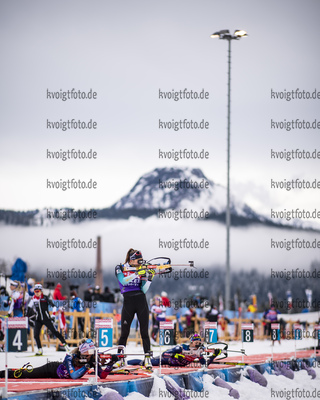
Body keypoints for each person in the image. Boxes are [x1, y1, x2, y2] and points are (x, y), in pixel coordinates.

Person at [115, 248, 156, 370]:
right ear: (131, 260)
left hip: (141, 301)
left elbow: (143, 289)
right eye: (138, 261)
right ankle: (120, 359)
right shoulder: (121, 267)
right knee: (124, 333)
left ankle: (147, 358)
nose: (140, 263)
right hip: (128, 301)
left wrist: (149, 279)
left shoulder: (141, 269)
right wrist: (137, 273)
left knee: (144, 332)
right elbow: (123, 281)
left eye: (141, 261)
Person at [0, 338, 118, 379]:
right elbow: (74, 376)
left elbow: (102, 376)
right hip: (51, 369)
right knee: (26, 374)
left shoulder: (91, 359)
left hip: (58, 374)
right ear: (83, 351)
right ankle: (3, 373)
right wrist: (87, 366)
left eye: (94, 351)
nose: (93, 353)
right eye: (90, 351)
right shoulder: (70, 357)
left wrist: (110, 364)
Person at [127, 333, 222, 368]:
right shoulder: (181, 348)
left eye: (199, 342)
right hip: (166, 361)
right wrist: (176, 356)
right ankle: (125, 362)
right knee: (143, 362)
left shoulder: (199, 352)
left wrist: (214, 356)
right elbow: (165, 354)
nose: (198, 343)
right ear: (191, 342)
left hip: (177, 365)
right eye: (196, 342)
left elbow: (204, 365)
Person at [27, 283, 69, 355]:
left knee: (55, 332)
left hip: (46, 319)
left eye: (38, 291)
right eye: (35, 291)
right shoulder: (33, 299)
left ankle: (66, 345)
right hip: (38, 319)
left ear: (41, 291)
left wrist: (53, 315)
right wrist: (28, 315)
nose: (36, 293)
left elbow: (54, 306)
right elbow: (29, 308)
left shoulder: (45, 298)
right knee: (36, 335)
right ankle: (40, 349)